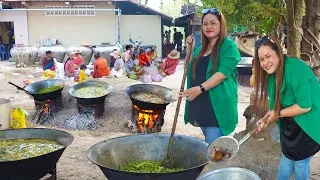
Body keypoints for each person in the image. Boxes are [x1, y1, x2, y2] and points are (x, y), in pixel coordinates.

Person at [254, 36, 320, 180]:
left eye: (268, 56)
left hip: (310, 122)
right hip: (291, 122)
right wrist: (265, 118)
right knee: (287, 157)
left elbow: (304, 106)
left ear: (278, 52)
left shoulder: (296, 68)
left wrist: (277, 114)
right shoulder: (271, 75)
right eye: (261, 59)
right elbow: (275, 108)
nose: (265, 63)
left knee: (301, 163)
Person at [179, 8, 241, 144]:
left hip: (217, 107)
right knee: (210, 145)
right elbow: (187, 70)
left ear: (220, 24)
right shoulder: (201, 47)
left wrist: (199, 89)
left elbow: (221, 74)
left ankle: (216, 166)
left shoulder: (228, 46)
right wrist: (189, 50)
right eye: (205, 24)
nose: (209, 27)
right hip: (201, 104)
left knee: (212, 148)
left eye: (213, 23)